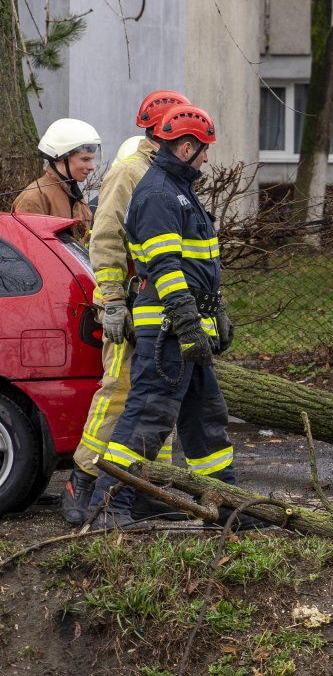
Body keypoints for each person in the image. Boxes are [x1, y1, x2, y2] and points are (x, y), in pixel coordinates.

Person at [85, 104, 249, 530]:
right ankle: (109, 506)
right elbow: (166, 268)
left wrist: (216, 311)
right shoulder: (159, 194)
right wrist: (188, 321)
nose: (209, 158)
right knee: (147, 417)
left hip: (184, 330)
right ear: (187, 146)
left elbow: (199, 268)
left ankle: (226, 506)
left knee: (206, 421)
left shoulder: (178, 188)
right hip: (168, 332)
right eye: (205, 149)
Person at [59, 90, 190, 525]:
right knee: (118, 390)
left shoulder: (170, 173)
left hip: (163, 305)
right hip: (132, 305)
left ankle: (152, 485)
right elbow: (107, 239)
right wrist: (113, 302)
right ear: (160, 129)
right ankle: (83, 478)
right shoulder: (129, 172)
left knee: (161, 398)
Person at [12, 119, 101, 239]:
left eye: (92, 159)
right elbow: (29, 249)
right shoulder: (35, 198)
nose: (92, 167)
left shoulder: (73, 194)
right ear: (61, 157)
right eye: (85, 159)